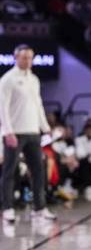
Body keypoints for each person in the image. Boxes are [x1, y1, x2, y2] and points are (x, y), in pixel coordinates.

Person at [0, 44, 57, 223]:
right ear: (16, 58)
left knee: (38, 171)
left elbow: (38, 105)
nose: (28, 61)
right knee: (10, 171)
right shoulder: (7, 79)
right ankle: (7, 208)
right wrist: (8, 132)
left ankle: (39, 208)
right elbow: (3, 107)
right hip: (14, 133)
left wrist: (45, 126)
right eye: (24, 57)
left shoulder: (34, 79)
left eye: (30, 57)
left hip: (33, 131)